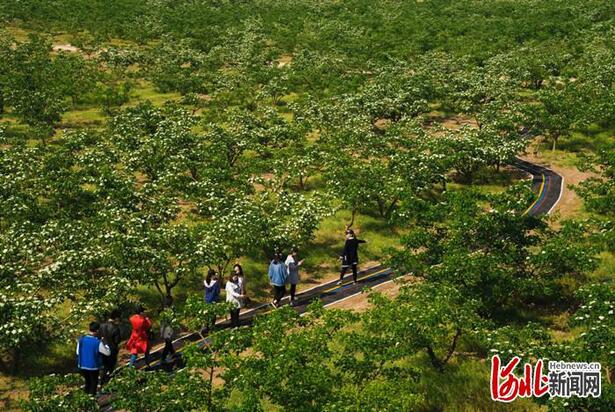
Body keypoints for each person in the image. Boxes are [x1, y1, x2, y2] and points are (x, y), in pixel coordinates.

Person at [76, 321, 111, 396]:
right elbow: (107, 353)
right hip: (93, 367)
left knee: (87, 382)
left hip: (82, 365)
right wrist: (106, 344)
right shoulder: (97, 342)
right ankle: (91, 398)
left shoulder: (81, 340)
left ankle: (85, 399)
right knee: (93, 383)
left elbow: (78, 352)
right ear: (97, 331)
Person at [99, 311, 121, 385]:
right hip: (112, 348)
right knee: (111, 365)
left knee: (105, 365)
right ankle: (109, 379)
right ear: (116, 318)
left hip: (102, 347)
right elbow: (117, 340)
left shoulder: (101, 326)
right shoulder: (115, 328)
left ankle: (102, 380)